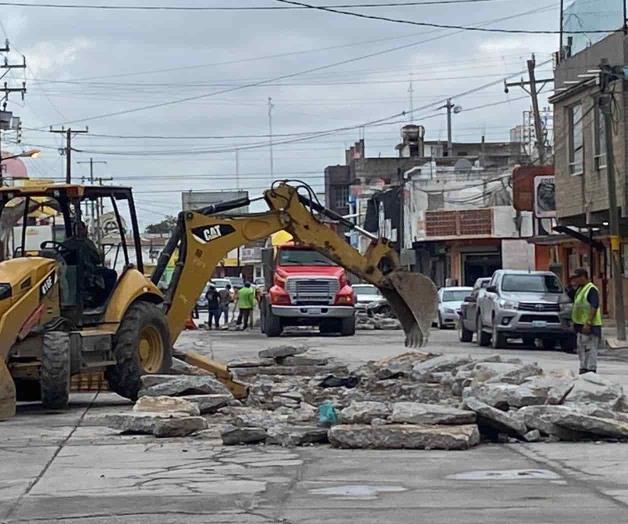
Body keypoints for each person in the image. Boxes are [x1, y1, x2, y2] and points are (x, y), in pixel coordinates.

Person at [571, 268, 602, 374]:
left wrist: (588, 322)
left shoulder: (591, 289)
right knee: (581, 349)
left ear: (583, 277)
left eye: (577, 278)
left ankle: (591, 370)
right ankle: (583, 368)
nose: (575, 280)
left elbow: (594, 306)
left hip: (590, 326)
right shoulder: (580, 289)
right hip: (580, 325)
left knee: (590, 349)